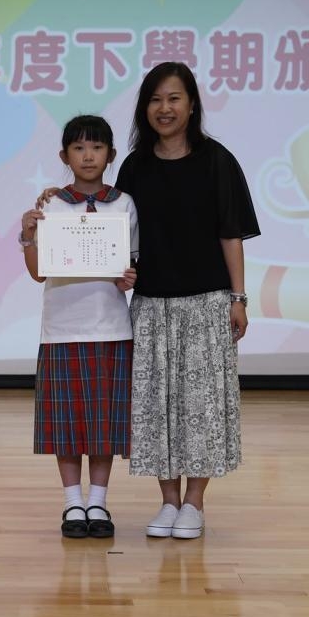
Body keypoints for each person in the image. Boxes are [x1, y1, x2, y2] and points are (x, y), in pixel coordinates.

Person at [116, 61, 260, 540]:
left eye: (174, 98)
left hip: (206, 302)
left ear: (192, 104)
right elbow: (121, 234)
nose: (165, 108)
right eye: (155, 99)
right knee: (156, 407)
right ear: (145, 108)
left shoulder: (217, 160)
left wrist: (238, 298)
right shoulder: (134, 166)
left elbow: (231, 235)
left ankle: (194, 503)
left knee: (202, 408)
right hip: (151, 305)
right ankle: (167, 502)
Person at [19, 114, 139, 539]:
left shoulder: (123, 204)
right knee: (67, 424)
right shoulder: (51, 206)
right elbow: (38, 273)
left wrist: (129, 277)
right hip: (62, 329)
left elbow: (131, 263)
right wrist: (28, 235)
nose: (88, 156)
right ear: (64, 156)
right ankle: (73, 502)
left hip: (111, 327)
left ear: (111, 154)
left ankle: (98, 502)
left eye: (97, 147)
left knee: (103, 425)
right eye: (79, 148)